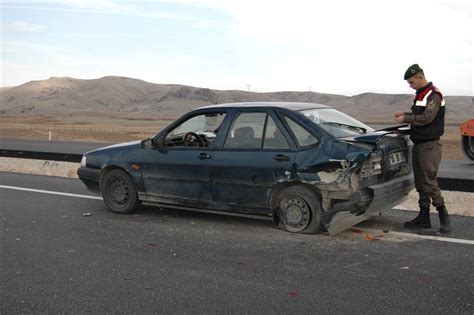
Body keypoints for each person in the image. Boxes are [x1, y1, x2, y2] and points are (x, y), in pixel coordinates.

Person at [394, 64, 452, 233]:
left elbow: (427, 118)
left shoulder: (433, 95)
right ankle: (424, 216)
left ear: (420, 77)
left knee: (429, 181)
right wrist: (406, 114)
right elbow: (419, 114)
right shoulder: (421, 95)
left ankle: (443, 215)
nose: (410, 85)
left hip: (429, 146)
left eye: (411, 82)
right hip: (419, 145)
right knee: (420, 182)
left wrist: (406, 118)